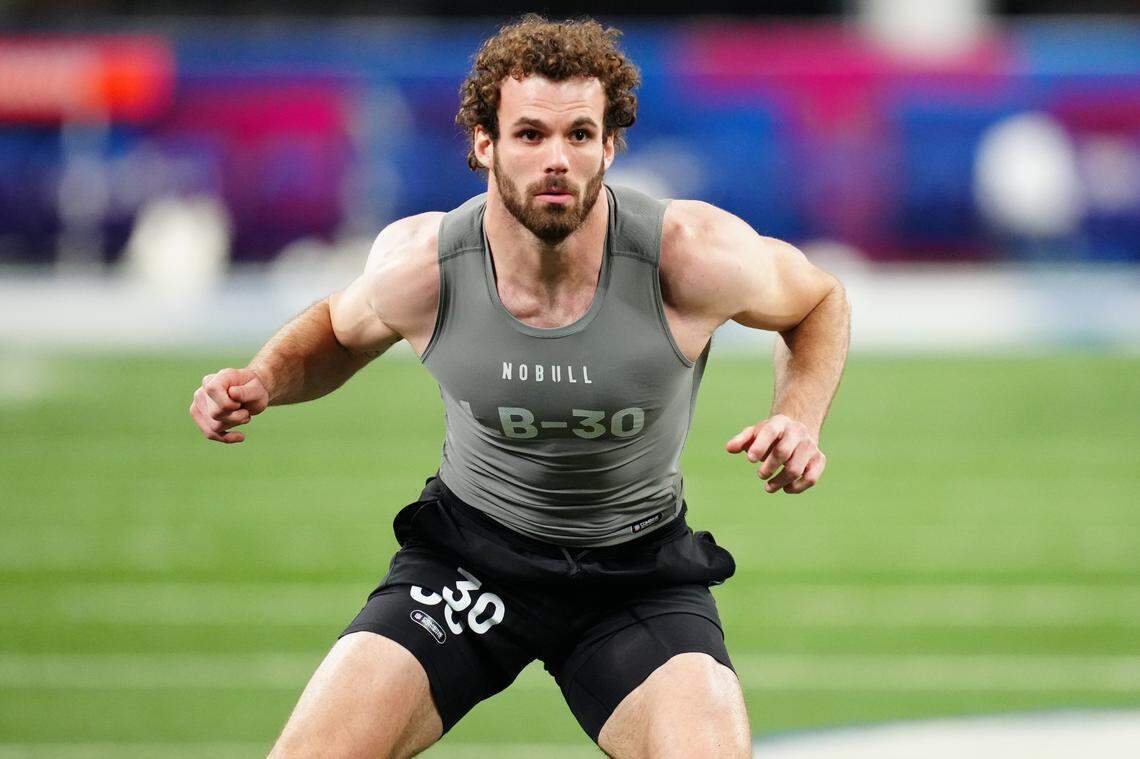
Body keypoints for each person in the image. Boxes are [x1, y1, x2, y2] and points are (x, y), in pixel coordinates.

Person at [189, 14, 849, 759]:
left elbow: (819, 300)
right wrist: (263, 378)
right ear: (484, 144)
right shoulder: (424, 265)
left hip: (634, 578)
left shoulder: (690, 257)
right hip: (469, 564)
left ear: (610, 145)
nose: (557, 159)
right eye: (531, 134)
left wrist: (799, 417)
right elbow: (337, 332)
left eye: (578, 135)